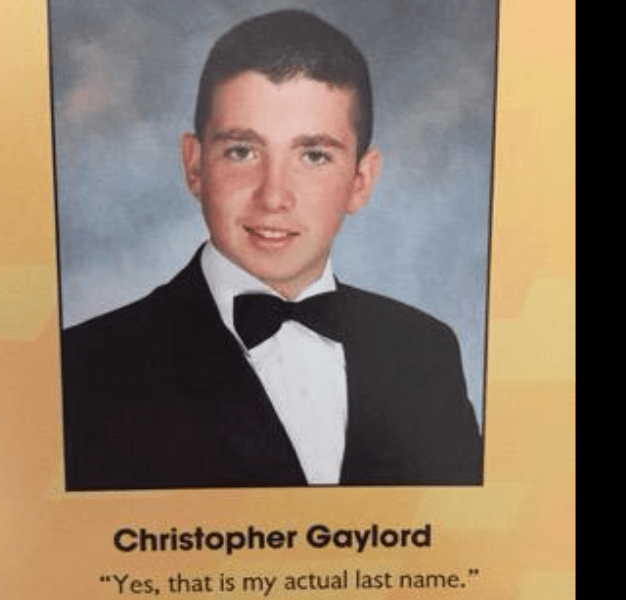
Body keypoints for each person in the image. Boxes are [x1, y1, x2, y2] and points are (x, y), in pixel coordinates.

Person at [61, 9, 482, 490]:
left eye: (314, 155)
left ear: (360, 181)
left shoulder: (425, 351)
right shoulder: (86, 369)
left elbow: (460, 543)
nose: (274, 195)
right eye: (242, 151)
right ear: (195, 166)